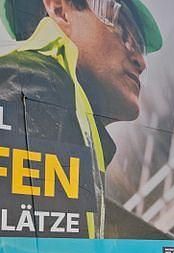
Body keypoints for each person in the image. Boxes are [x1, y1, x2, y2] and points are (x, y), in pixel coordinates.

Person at [0, 0, 162, 238]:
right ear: (59, 10)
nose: (141, 61)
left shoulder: (63, 111)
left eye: (140, 45)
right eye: (122, 28)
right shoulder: (35, 86)